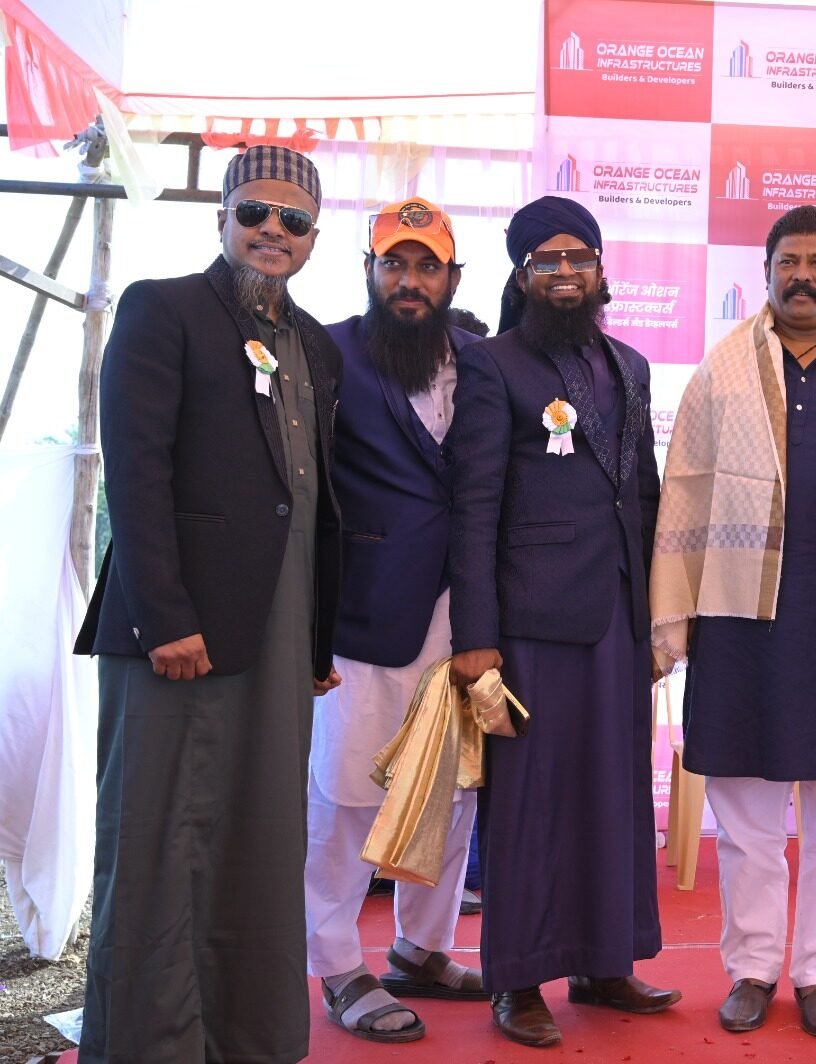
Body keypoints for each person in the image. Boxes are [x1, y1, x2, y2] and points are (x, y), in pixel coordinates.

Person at [74, 145, 342, 1063]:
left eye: (293, 220)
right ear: (221, 218)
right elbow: (135, 472)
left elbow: (315, 501)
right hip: (176, 630)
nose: (273, 231)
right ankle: (150, 1044)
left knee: (260, 839)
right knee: (159, 840)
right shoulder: (163, 308)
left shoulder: (317, 345)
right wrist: (164, 616)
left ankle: (248, 1039)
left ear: (313, 238)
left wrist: (314, 641)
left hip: (278, 632)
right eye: (253, 212)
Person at [651, 205, 816, 1039]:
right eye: (788, 262)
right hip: (741, 616)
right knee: (747, 817)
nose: (802, 276)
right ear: (764, 274)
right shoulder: (721, 369)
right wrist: (673, 614)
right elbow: (684, 489)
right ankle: (754, 967)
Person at [446, 196, 677, 1048]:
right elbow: (473, 507)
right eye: (548, 260)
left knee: (614, 794)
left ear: (602, 269)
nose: (567, 272)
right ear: (522, 276)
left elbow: (644, 498)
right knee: (531, 803)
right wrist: (476, 639)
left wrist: (654, 619)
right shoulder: (491, 365)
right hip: (530, 621)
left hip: (615, 618)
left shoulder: (631, 365)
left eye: (580, 257)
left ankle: (604, 962)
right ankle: (517, 980)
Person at [303, 198, 489, 1043]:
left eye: (427, 267)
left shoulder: (485, 361)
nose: (410, 281)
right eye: (394, 264)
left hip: (470, 614)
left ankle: (423, 947)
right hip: (364, 611)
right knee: (346, 794)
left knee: (453, 791)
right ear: (370, 271)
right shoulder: (327, 351)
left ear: (453, 278)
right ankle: (338, 962)